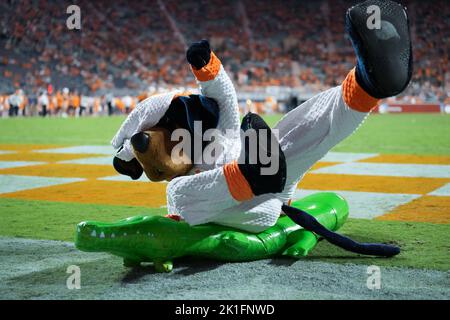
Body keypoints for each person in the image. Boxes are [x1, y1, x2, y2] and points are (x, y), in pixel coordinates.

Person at [112, 0, 412, 233]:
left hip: (269, 180)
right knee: (179, 192)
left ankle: (365, 85)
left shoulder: (217, 133)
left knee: (300, 126)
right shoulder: (181, 183)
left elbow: (224, 100)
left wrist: (207, 69)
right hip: (251, 202)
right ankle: (251, 175)